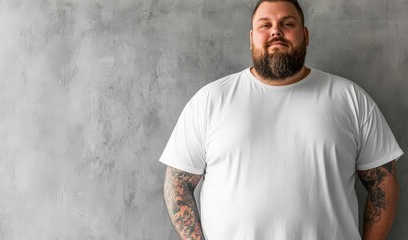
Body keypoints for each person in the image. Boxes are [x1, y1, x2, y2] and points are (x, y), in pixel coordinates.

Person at [159, 0, 404, 239]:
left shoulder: (350, 98)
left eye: (287, 24)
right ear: (252, 37)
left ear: (305, 35)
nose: (276, 31)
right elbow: (177, 183)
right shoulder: (210, 100)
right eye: (265, 25)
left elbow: (383, 184)